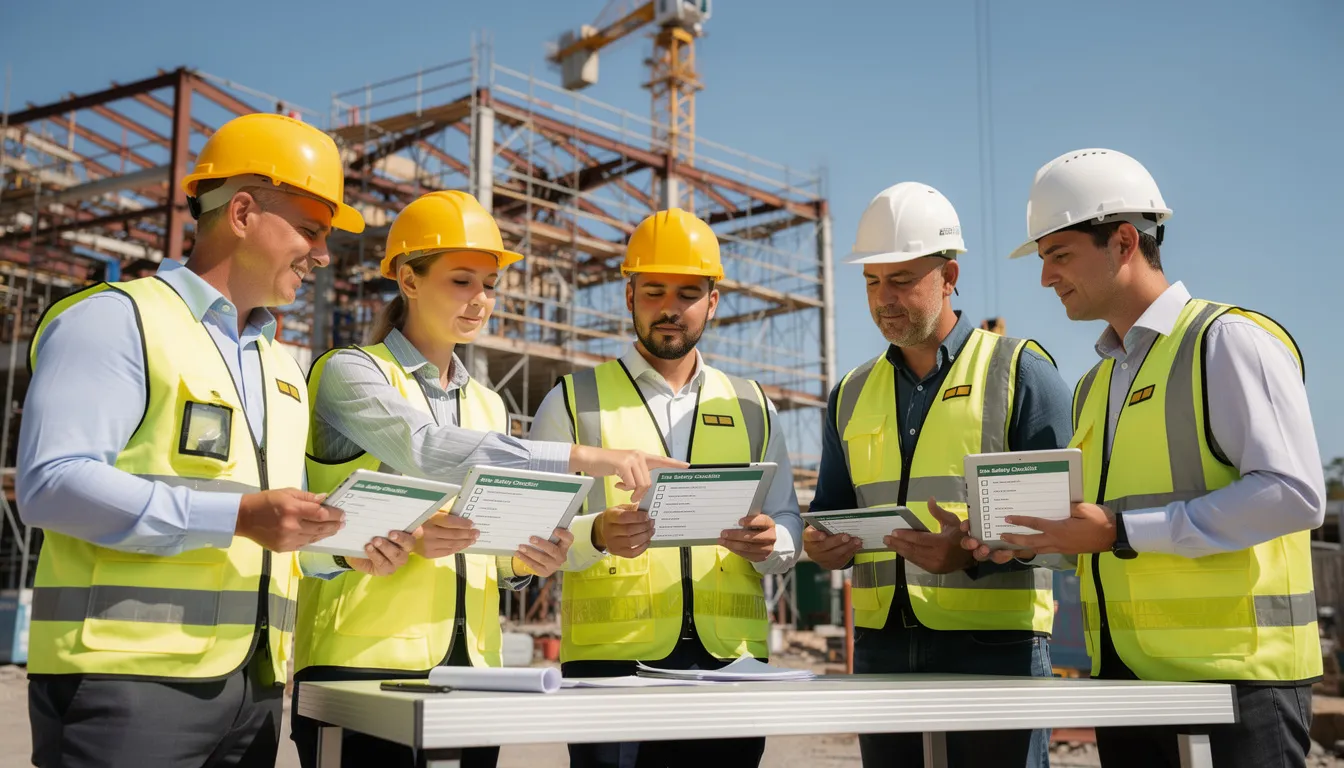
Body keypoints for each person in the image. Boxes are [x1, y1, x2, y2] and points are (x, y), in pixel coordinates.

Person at [17, 113, 410, 768]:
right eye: (311, 230)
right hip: (125, 684)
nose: (322, 254)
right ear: (245, 212)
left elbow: (272, 536)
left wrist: (343, 550)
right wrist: (237, 516)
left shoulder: (280, 367)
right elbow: (52, 484)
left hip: (254, 692)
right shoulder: (117, 319)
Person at [292, 190, 684, 768]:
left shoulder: (489, 405)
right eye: (462, 281)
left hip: (473, 672)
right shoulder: (351, 373)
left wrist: (530, 559)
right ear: (408, 279)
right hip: (363, 666)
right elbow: (425, 448)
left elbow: (492, 550)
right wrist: (584, 456)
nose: (481, 300)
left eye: (490, 285)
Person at [972, 147, 1325, 768]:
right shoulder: (1095, 385)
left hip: (1238, 684)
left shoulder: (1227, 342)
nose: (1046, 278)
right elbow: (1098, 529)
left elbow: (1293, 494)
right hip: (1129, 682)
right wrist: (1016, 539)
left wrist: (1122, 532)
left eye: (1058, 255)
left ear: (1124, 242)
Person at [803, 182, 1074, 768]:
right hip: (882, 648)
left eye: (901, 280)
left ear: (949, 276)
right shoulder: (849, 393)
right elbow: (831, 510)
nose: (883, 299)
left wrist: (970, 555)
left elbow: (1068, 533)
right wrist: (825, 546)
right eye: (872, 281)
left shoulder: (1020, 373)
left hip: (996, 649)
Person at [528, 208, 803, 768]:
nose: (670, 307)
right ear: (628, 295)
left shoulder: (751, 405)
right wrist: (597, 533)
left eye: (688, 292)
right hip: (611, 672)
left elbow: (789, 522)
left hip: (730, 668)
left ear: (713, 301)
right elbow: (529, 540)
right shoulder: (574, 400)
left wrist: (772, 542)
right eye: (653, 291)